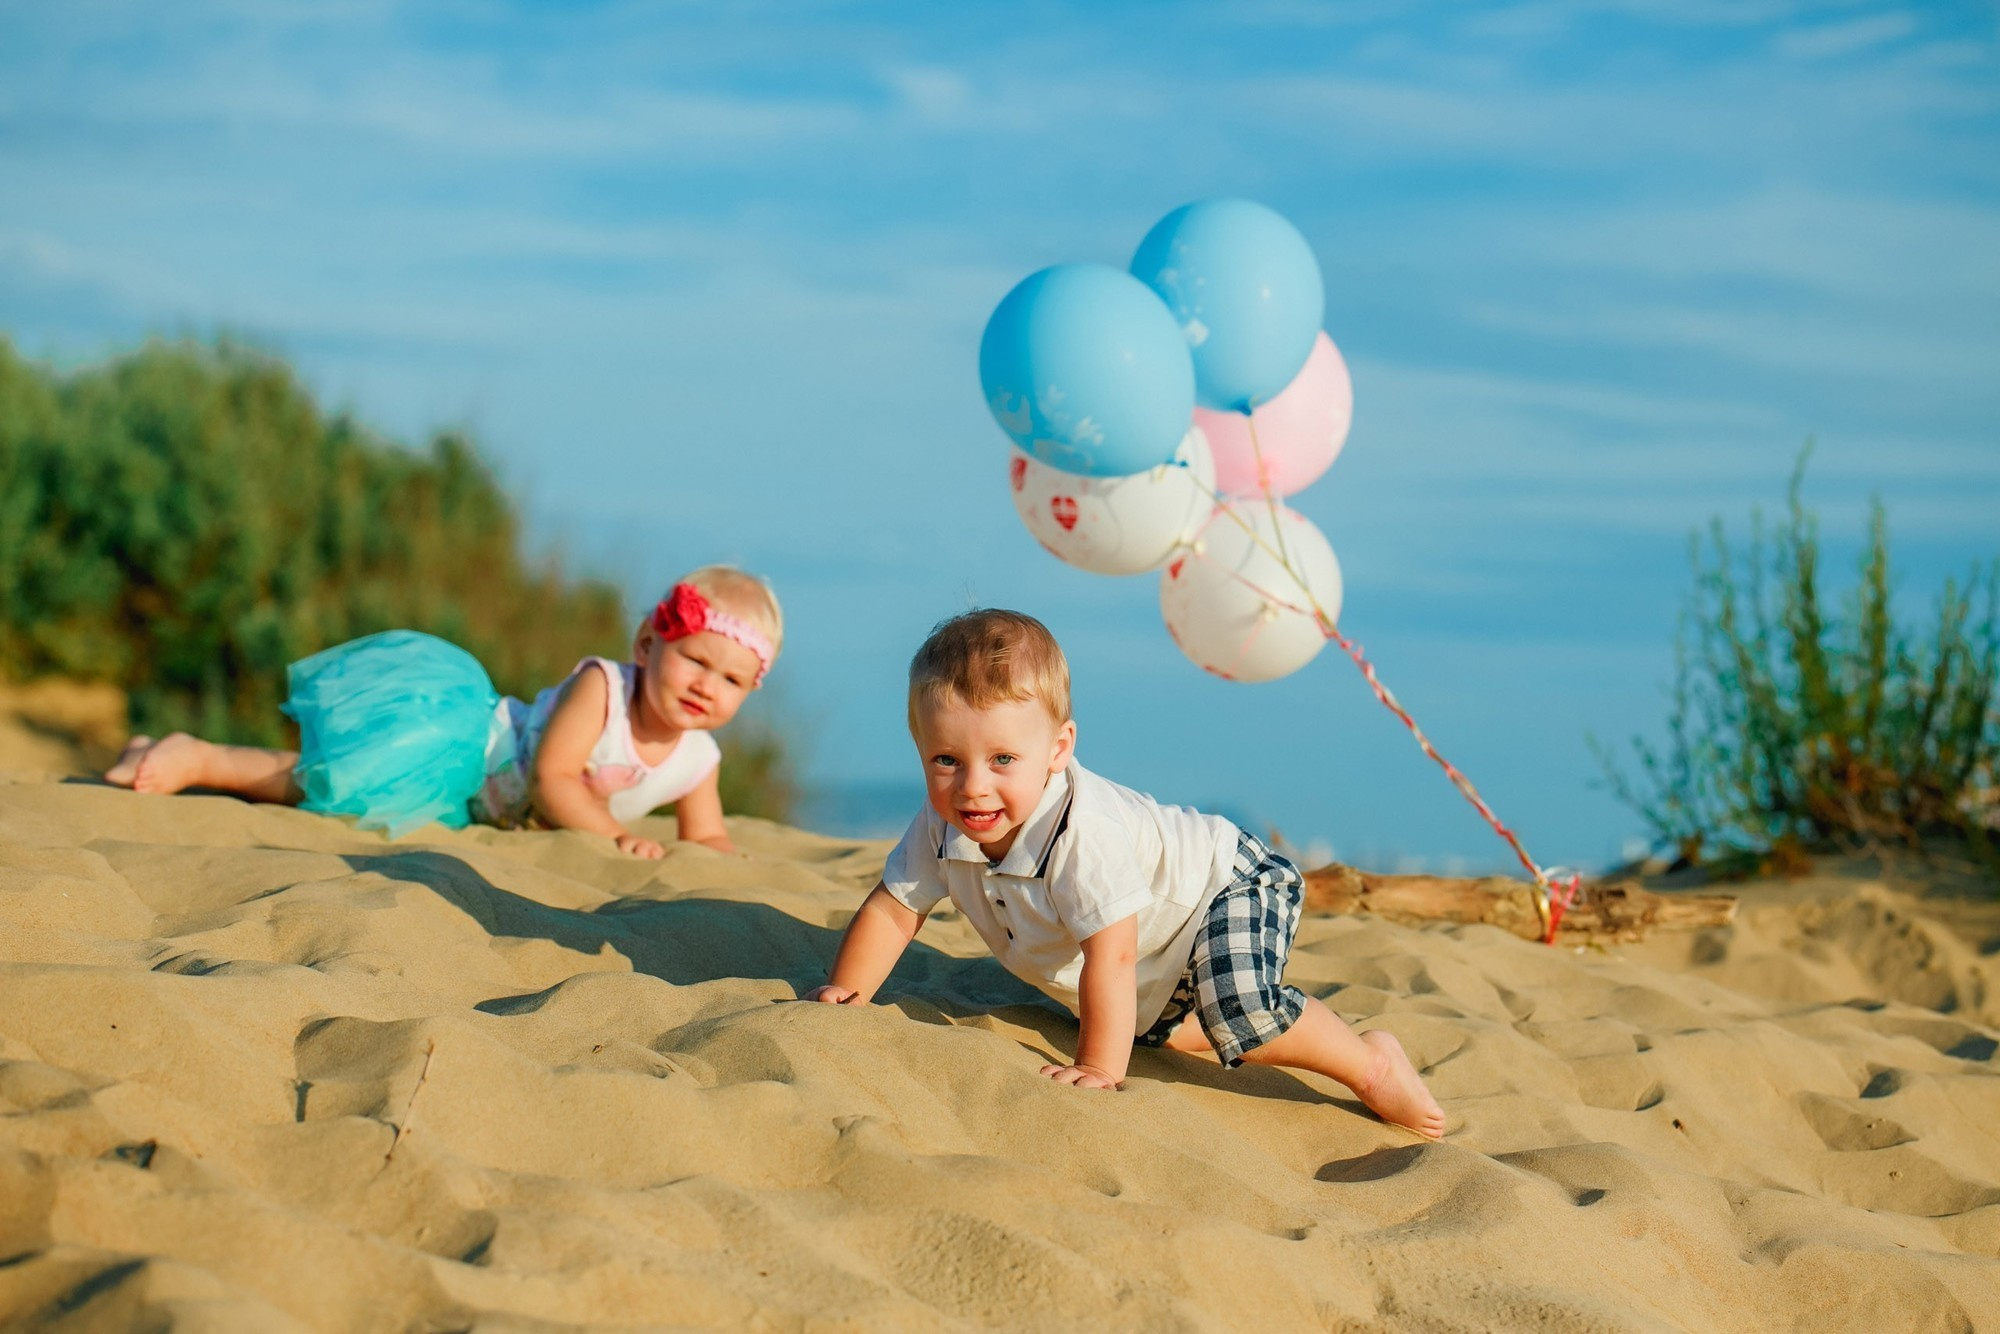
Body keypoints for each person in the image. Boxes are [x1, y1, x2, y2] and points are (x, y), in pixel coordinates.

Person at [805, 608, 1445, 1136]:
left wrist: (1098, 1069)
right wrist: (847, 993)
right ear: (920, 745)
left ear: (1057, 750)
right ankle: (1193, 1022)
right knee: (1154, 1029)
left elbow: (1109, 956)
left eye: (1003, 758)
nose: (973, 788)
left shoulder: (1081, 833)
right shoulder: (942, 824)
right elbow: (894, 910)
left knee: (1240, 1008)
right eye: (947, 759)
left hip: (1229, 883)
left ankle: (1371, 1065)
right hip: (1155, 950)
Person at [103, 566, 782, 857]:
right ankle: (202, 757)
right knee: (329, 783)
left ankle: (155, 749)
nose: (706, 686)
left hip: (480, 816)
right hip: (462, 753)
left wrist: (722, 858)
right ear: (647, 644)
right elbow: (552, 778)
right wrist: (613, 838)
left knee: (340, 796)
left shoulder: (700, 759)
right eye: (694, 660)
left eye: (730, 679)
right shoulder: (603, 689)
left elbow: (706, 835)